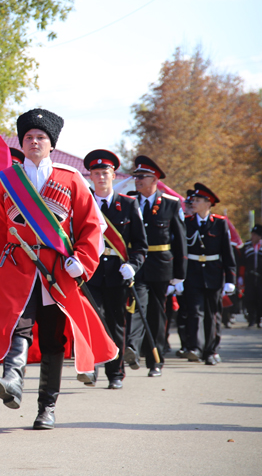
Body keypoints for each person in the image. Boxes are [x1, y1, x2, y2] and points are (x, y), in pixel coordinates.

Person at [0, 109, 116, 429]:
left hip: (58, 270)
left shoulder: (71, 178)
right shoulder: (5, 181)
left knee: (53, 338)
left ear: (51, 144)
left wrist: (82, 259)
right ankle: (11, 380)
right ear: (21, 144)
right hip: (16, 267)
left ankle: (46, 408)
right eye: (28, 138)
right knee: (17, 326)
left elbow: (92, 226)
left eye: (40, 138)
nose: (34, 142)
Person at [83, 150, 148, 389]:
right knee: (92, 321)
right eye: (96, 173)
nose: (101, 177)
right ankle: (90, 369)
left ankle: (116, 372)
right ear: (90, 176)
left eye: (105, 173)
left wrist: (133, 265)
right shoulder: (84, 203)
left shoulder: (129, 205)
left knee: (116, 324)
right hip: (89, 273)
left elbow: (140, 245)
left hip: (117, 275)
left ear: (113, 175)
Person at [125, 156, 186, 377]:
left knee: (157, 314)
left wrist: (179, 275)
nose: (137, 180)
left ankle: (156, 361)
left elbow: (179, 240)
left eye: (141, 177)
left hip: (161, 267)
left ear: (155, 179)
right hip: (137, 265)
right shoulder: (128, 201)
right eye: (135, 176)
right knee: (137, 306)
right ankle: (132, 348)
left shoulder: (171, 204)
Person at [183, 184, 236, 365]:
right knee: (194, 312)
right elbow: (181, 251)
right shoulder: (187, 222)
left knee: (213, 314)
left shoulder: (220, 223)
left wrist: (230, 279)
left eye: (198, 200)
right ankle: (195, 348)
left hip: (213, 273)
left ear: (208, 203)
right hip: (192, 272)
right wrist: (179, 276)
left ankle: (211, 351)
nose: (193, 203)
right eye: (193, 200)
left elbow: (227, 253)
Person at [241, 225, 262, 328]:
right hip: (250, 277)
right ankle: (252, 319)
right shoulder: (247, 246)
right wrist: (240, 277)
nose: (253, 237)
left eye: (255, 235)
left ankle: (260, 319)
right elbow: (242, 262)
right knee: (250, 298)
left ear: (260, 236)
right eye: (252, 234)